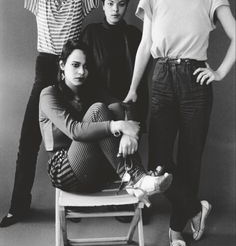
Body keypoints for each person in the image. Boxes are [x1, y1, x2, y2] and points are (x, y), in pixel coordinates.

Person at [124, 0, 235, 246]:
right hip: (160, 78)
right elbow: (145, 45)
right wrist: (132, 88)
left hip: (194, 82)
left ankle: (176, 229)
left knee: (189, 160)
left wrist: (219, 71)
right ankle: (195, 208)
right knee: (158, 161)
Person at [0, 0, 117, 227]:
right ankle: (18, 207)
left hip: (75, 70)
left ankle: (86, 193)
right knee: (29, 141)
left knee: (89, 127)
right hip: (46, 69)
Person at [38, 39, 173, 207]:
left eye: (86, 67)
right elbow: (75, 130)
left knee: (114, 109)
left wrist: (128, 136)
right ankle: (137, 178)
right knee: (98, 110)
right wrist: (119, 126)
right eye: (75, 65)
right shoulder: (48, 94)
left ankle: (136, 179)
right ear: (62, 65)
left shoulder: (90, 89)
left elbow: (123, 107)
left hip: (97, 173)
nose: (81, 72)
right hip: (64, 171)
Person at [81, 0, 148, 127]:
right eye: (110, 3)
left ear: (127, 6)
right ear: (103, 5)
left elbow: (142, 79)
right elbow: (85, 76)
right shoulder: (91, 33)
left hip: (129, 106)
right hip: (98, 107)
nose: (115, 9)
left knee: (127, 149)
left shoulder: (134, 35)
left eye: (121, 4)